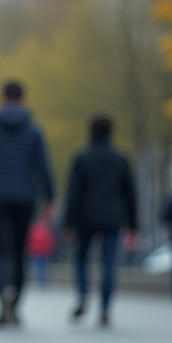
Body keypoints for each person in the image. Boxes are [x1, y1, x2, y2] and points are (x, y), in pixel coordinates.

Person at [0, 80, 54, 328]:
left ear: (0, 98)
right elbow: (43, 167)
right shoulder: (34, 130)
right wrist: (48, 198)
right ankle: (15, 303)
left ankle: (3, 292)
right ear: (24, 99)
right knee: (19, 252)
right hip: (25, 197)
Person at [62, 114, 137, 327]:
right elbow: (129, 194)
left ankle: (83, 294)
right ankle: (105, 308)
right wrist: (133, 226)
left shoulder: (81, 158)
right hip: (113, 218)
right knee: (109, 263)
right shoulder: (120, 159)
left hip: (85, 217)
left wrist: (68, 224)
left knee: (81, 259)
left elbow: (73, 193)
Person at [26, 207, 57, 288]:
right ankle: (36, 282)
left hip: (43, 251)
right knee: (35, 268)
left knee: (43, 268)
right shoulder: (36, 226)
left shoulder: (48, 226)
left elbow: (51, 240)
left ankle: (42, 283)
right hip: (35, 250)